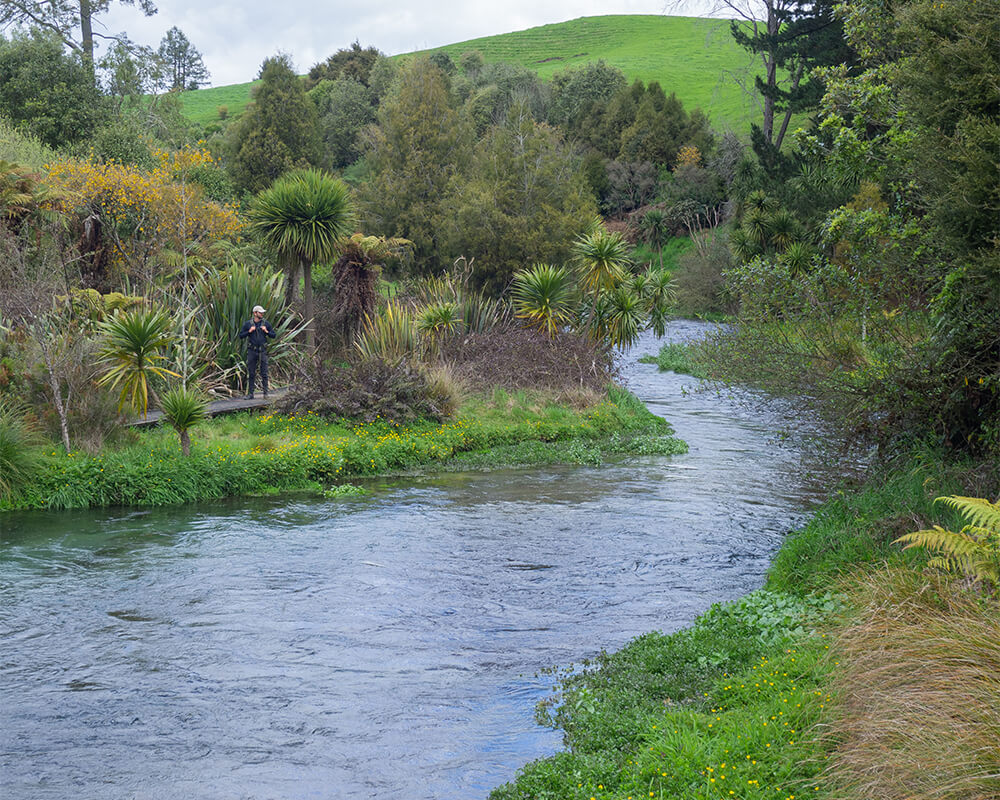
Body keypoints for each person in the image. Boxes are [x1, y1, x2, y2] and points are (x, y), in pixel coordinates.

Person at [238, 305, 276, 399]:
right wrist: (249, 332)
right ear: (255, 313)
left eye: (262, 312)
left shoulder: (266, 323)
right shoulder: (248, 324)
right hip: (252, 351)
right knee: (251, 372)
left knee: (264, 372)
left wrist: (266, 331)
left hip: (262, 351)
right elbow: (241, 335)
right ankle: (251, 394)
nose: (262, 314)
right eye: (260, 312)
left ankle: (265, 393)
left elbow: (273, 335)